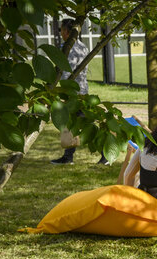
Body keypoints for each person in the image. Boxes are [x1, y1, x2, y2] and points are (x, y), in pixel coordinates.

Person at [51, 19, 99, 165]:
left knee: (84, 124)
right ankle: (68, 156)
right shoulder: (83, 47)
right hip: (82, 89)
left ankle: (104, 153)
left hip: (73, 92)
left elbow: (66, 72)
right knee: (76, 123)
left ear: (67, 31)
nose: (61, 33)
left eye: (61, 30)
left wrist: (63, 91)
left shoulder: (67, 48)